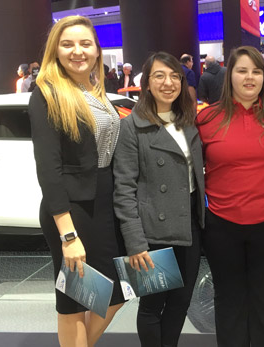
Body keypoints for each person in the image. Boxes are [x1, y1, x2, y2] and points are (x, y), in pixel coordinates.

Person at [27, 15, 125, 346]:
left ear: (97, 51)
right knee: (74, 302)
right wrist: (68, 235)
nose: (77, 51)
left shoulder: (93, 90)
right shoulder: (47, 93)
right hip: (73, 209)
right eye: (67, 44)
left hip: (102, 202)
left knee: (113, 293)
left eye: (85, 43)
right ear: (56, 50)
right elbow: (48, 168)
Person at [196, 46, 264, 347]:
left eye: (256, 71)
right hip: (223, 226)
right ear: (230, 76)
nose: (250, 77)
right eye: (242, 70)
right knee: (228, 299)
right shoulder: (207, 119)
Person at [112, 51, 204, 347]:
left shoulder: (188, 119)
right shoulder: (132, 126)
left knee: (180, 302)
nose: (168, 82)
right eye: (159, 76)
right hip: (153, 231)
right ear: (147, 83)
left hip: (189, 224)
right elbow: (124, 188)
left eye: (174, 76)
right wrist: (135, 243)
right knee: (152, 306)